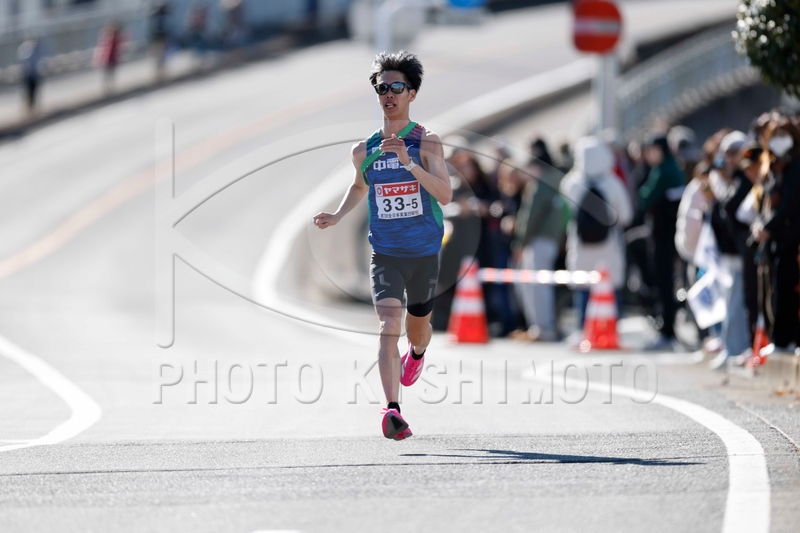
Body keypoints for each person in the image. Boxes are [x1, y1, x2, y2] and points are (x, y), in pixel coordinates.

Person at [313, 51, 451, 440]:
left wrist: (409, 163)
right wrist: (337, 215)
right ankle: (392, 410)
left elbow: (445, 195)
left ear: (412, 94)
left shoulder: (427, 142)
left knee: (418, 331)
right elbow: (359, 187)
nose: (388, 94)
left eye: (396, 87)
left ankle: (417, 355)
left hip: (423, 252)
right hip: (385, 253)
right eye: (381, 88)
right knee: (388, 326)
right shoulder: (364, 150)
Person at [560, 136, 633, 335]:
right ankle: (611, 333)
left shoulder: (571, 183)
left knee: (583, 290)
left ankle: (583, 332)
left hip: (580, 245)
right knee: (610, 289)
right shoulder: (613, 183)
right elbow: (626, 215)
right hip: (609, 246)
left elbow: (565, 214)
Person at [751, 115, 800, 356]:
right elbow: (765, 202)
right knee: (775, 289)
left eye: (784, 135)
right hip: (776, 239)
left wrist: (768, 226)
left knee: (788, 289)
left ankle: (787, 339)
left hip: (791, 237)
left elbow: (790, 203)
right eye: (775, 136)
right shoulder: (772, 166)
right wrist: (760, 225)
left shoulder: (795, 166)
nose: (780, 140)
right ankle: (779, 338)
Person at [513, 141, 565, 342]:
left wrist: (520, 243)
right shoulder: (557, 180)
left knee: (536, 287)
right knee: (540, 286)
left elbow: (530, 217)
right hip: (551, 239)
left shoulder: (541, 184)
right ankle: (542, 327)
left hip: (537, 241)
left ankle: (541, 328)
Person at [638, 134, 685, 350]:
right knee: (667, 281)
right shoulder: (671, 168)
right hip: (670, 233)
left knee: (663, 281)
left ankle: (667, 330)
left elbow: (645, 197)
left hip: (663, 234)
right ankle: (668, 327)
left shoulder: (663, 170)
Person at [17, 35, 43, 115]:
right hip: (28, 74)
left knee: (33, 91)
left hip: (33, 73)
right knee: (28, 91)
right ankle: (28, 108)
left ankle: (32, 108)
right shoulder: (26, 48)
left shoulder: (34, 49)